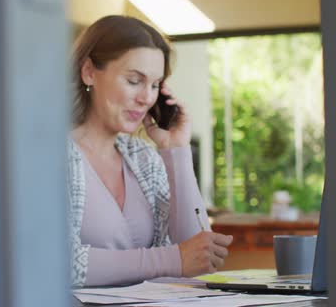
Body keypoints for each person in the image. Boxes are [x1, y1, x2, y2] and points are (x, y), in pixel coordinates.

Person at [68, 15, 233, 287]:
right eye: (134, 80)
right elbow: (59, 263)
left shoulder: (142, 158)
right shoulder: (47, 156)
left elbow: (199, 254)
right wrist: (171, 260)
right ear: (89, 71)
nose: (146, 97)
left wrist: (176, 150)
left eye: (155, 85)